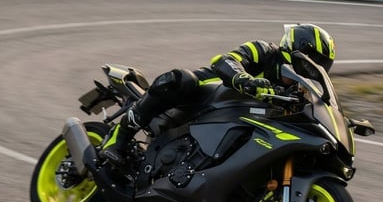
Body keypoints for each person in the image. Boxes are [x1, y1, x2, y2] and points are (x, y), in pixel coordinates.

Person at [101, 23, 337, 166]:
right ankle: (118, 139)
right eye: (313, 59)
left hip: (238, 121)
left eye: (320, 64)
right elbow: (225, 60)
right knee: (179, 80)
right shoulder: (265, 50)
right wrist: (245, 80)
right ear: (298, 50)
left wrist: (339, 120)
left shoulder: (296, 89)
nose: (314, 67)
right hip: (203, 94)